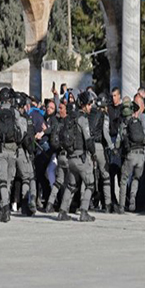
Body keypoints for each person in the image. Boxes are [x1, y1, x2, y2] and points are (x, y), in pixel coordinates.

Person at [57, 92, 96, 222]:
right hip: (80, 158)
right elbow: (88, 139)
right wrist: (94, 154)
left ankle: (62, 211)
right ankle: (84, 212)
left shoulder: (70, 117)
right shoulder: (83, 119)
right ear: (84, 105)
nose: (91, 107)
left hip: (70, 157)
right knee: (90, 184)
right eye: (89, 104)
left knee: (70, 185)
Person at [0, 87, 24, 223]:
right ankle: (5, 206)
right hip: (13, 150)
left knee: (2, 179)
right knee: (9, 180)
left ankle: (5, 207)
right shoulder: (15, 112)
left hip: (1, 150)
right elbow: (22, 130)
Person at [116, 99, 145, 213]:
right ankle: (132, 200)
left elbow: (119, 142)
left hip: (130, 155)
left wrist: (117, 149)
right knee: (136, 178)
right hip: (141, 155)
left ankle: (121, 206)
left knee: (124, 179)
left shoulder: (123, 125)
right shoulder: (137, 121)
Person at [88, 93, 115, 212]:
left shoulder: (90, 113)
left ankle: (86, 203)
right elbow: (105, 133)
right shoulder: (104, 115)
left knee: (88, 175)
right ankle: (108, 204)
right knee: (105, 175)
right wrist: (112, 146)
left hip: (88, 146)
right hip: (98, 146)